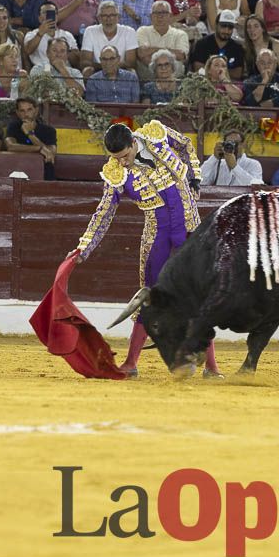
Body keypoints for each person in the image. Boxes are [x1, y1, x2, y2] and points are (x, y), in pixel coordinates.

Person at [73, 120, 219, 377]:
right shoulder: (115, 172)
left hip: (189, 227)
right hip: (157, 234)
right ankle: (131, 363)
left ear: (133, 143)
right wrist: (84, 247)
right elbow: (104, 213)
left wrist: (195, 177)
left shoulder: (156, 135)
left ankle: (212, 366)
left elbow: (185, 145)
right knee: (149, 298)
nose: (123, 163)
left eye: (125, 156)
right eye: (117, 158)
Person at [5, 95, 57, 179]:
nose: (26, 114)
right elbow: (11, 146)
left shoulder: (48, 130)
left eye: (29, 110)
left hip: (44, 175)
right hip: (19, 171)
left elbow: (50, 153)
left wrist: (30, 133)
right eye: (22, 111)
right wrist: (38, 149)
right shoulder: (13, 127)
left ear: (36, 111)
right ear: (17, 113)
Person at [189, 10, 244, 80]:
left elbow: (237, 74)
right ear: (216, 25)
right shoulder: (202, 43)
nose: (226, 31)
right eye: (223, 26)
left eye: (230, 27)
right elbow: (198, 68)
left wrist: (213, 71)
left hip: (229, 85)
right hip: (205, 83)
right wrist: (222, 72)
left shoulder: (237, 47)